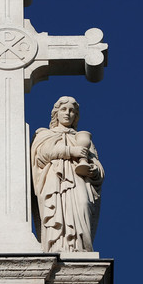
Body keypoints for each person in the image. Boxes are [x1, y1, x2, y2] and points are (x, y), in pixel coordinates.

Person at [31, 96, 104, 252]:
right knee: (56, 210)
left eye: (72, 111)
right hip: (54, 179)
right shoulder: (45, 134)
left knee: (83, 204)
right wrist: (70, 151)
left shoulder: (82, 139)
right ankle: (56, 245)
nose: (67, 113)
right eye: (63, 109)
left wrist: (94, 171)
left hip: (77, 179)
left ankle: (79, 247)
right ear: (56, 113)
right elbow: (41, 155)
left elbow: (97, 167)